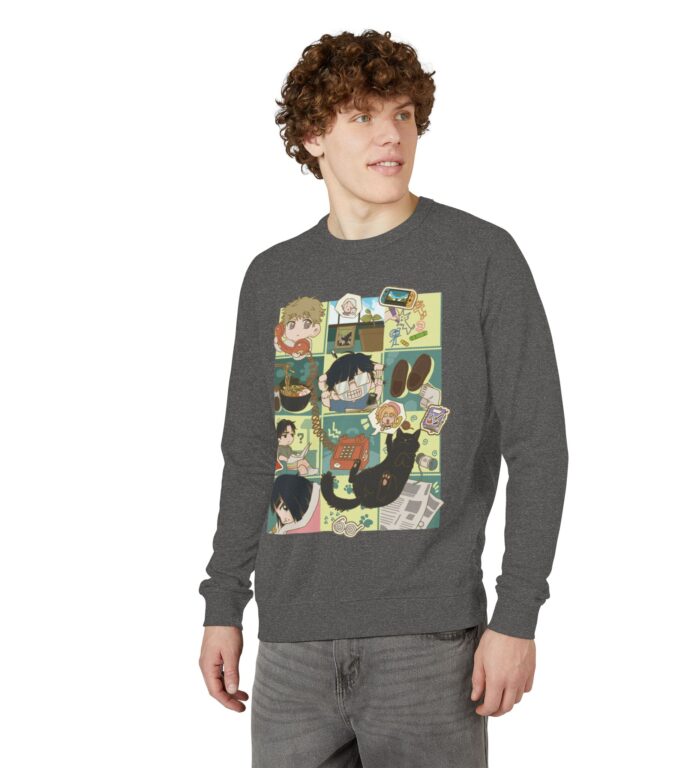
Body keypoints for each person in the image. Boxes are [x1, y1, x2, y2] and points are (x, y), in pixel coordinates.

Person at [198, 29, 569, 767]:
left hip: (430, 645)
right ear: (313, 136)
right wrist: (223, 604)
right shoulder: (273, 277)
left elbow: (538, 446)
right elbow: (252, 455)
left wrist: (518, 615)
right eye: (362, 116)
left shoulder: (480, 256)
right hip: (291, 649)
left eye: (402, 114)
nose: (391, 135)